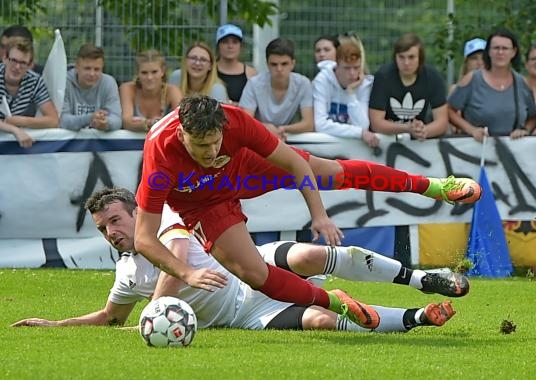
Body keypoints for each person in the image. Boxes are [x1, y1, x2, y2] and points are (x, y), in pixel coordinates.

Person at [134, 95, 481, 330]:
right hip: (203, 204)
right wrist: (187, 273)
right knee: (254, 273)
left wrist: (319, 214)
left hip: (246, 167)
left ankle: (433, 186)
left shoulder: (235, 122)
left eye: (215, 141)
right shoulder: (160, 156)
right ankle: (334, 301)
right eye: (201, 145)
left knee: (336, 172)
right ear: (181, 134)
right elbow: (144, 238)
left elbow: (295, 164)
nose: (211, 151)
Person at [12, 187, 461, 332]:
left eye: (114, 220)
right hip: (247, 313)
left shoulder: (164, 220)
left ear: (135, 213)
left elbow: (183, 250)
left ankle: (421, 278)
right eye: (102, 228)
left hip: (247, 265)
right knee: (320, 322)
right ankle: (418, 315)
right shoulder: (128, 271)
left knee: (308, 253)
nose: (111, 232)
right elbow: (111, 317)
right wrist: (54, 326)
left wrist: (158, 308)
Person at [448, 28, 536, 141]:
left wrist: (525, 130)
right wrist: (471, 130)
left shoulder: (522, 83)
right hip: (476, 149)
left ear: (513, 52)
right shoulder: (472, 79)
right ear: (489, 51)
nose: (500, 52)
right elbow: (449, 110)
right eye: (496, 48)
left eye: (505, 48)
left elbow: (534, 117)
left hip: (513, 151)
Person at [369, 32, 449, 141]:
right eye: (401, 57)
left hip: (419, 139)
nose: (406, 63)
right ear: (395, 57)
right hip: (387, 139)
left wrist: (424, 131)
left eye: (411, 57)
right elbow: (376, 123)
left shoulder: (432, 77)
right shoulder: (383, 77)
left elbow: (442, 122)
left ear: (420, 58)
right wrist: (407, 128)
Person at [239, 37, 314, 140]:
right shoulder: (254, 84)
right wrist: (266, 128)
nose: (279, 69)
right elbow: (245, 121)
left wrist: (282, 129)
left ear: (293, 64)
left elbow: (308, 124)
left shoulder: (303, 83)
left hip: (288, 136)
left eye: (284, 64)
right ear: (267, 64)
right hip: (259, 136)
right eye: (274, 64)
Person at [312, 36, 378, 149]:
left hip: (353, 150)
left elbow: (363, 125)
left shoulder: (364, 84)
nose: (352, 73)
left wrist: (351, 93)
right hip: (326, 148)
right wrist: (359, 133)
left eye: (356, 67)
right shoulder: (322, 80)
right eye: (347, 68)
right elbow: (320, 124)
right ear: (337, 65)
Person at [0, 37, 59, 148]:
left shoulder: (35, 82)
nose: (17, 67)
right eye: (14, 60)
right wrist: (15, 130)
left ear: (30, 65)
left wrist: (21, 121)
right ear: (5, 58)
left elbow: (53, 120)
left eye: (23, 63)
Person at [60, 43, 122, 131]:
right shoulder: (64, 82)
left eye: (97, 69)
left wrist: (106, 123)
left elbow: (117, 119)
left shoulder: (109, 83)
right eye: (87, 68)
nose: (92, 74)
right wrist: (90, 118)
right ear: (77, 67)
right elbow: (62, 121)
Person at [119, 50, 182, 132]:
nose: (149, 77)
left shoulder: (172, 91)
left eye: (154, 72)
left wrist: (150, 124)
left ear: (162, 71)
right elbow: (126, 122)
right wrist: (150, 124)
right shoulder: (128, 89)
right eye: (144, 73)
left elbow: (181, 120)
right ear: (137, 73)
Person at [215, 24, 257, 105]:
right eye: (225, 42)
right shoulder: (209, 70)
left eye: (235, 42)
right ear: (218, 46)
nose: (230, 46)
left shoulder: (251, 73)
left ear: (241, 46)